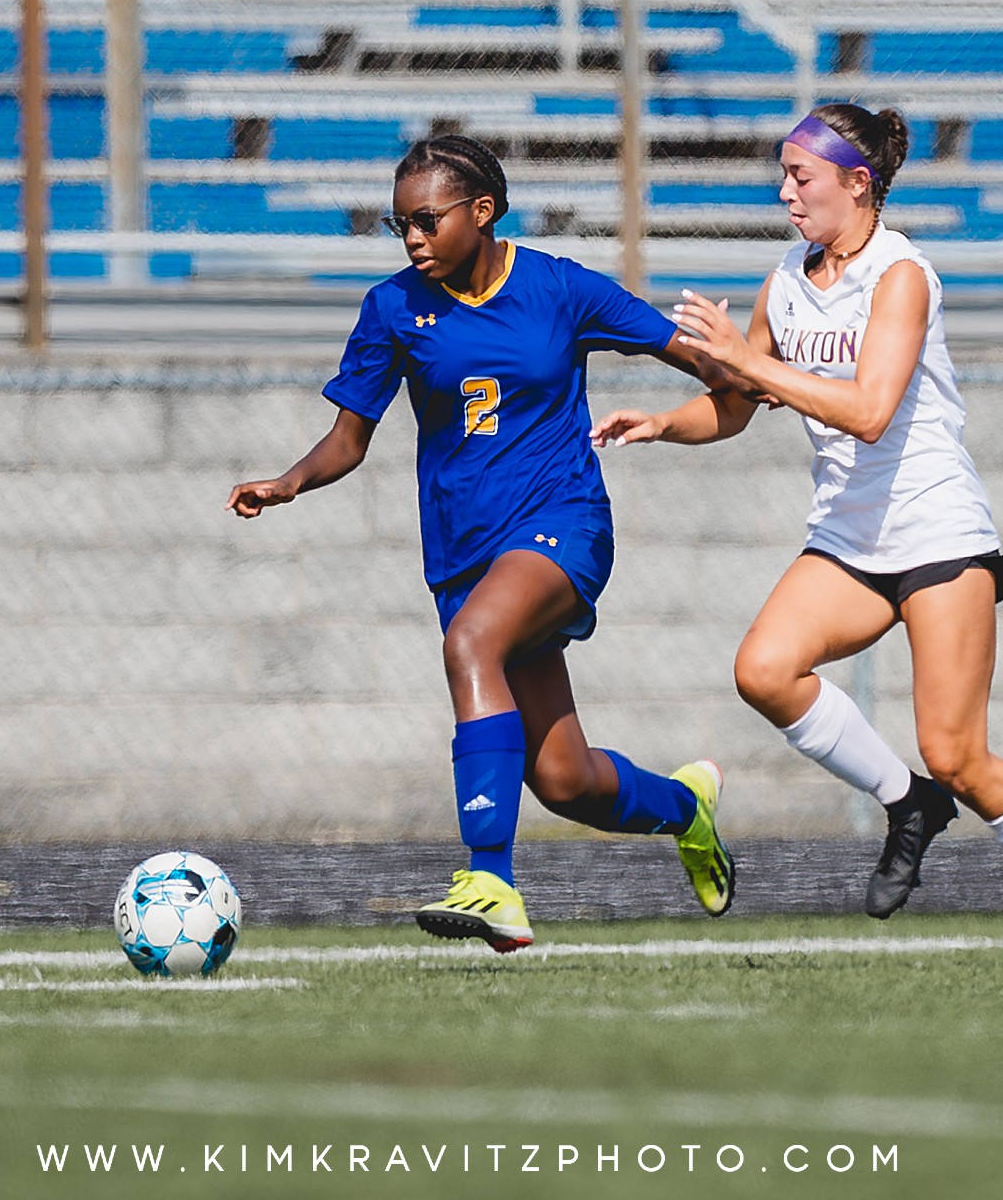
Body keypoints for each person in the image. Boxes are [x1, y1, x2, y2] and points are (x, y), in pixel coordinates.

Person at [589, 105, 1003, 966]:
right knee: (763, 671)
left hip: (937, 530)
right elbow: (737, 405)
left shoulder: (901, 274)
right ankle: (906, 804)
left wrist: (750, 361)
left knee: (956, 752)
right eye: (783, 175)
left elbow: (870, 411)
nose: (785, 193)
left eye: (800, 178)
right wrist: (664, 422)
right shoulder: (789, 275)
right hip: (849, 534)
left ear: (858, 183)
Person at [226, 135, 737, 953]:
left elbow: (698, 360)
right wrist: (290, 481)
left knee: (472, 642)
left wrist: (751, 375)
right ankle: (686, 808)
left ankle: (491, 878)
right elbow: (349, 437)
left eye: (426, 220)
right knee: (565, 780)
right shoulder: (392, 308)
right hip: (465, 554)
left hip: (562, 525)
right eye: (399, 226)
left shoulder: (560, 288)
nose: (412, 239)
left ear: (483, 211)